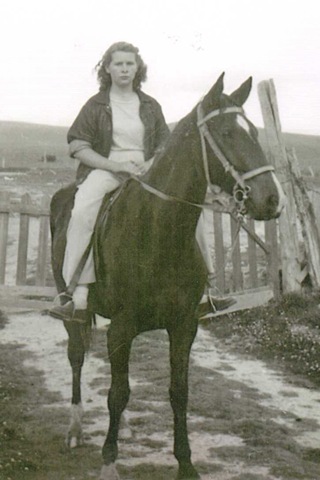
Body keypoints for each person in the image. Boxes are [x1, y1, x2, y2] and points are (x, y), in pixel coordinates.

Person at [49, 41, 235, 323]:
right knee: (82, 211)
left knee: (190, 210)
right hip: (106, 170)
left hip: (149, 172)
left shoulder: (150, 105)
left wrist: (149, 165)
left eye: (130, 64)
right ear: (107, 69)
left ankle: (205, 291)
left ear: (138, 68)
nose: (125, 69)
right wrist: (117, 166)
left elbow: (165, 146)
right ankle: (78, 294)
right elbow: (78, 146)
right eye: (118, 64)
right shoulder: (96, 105)